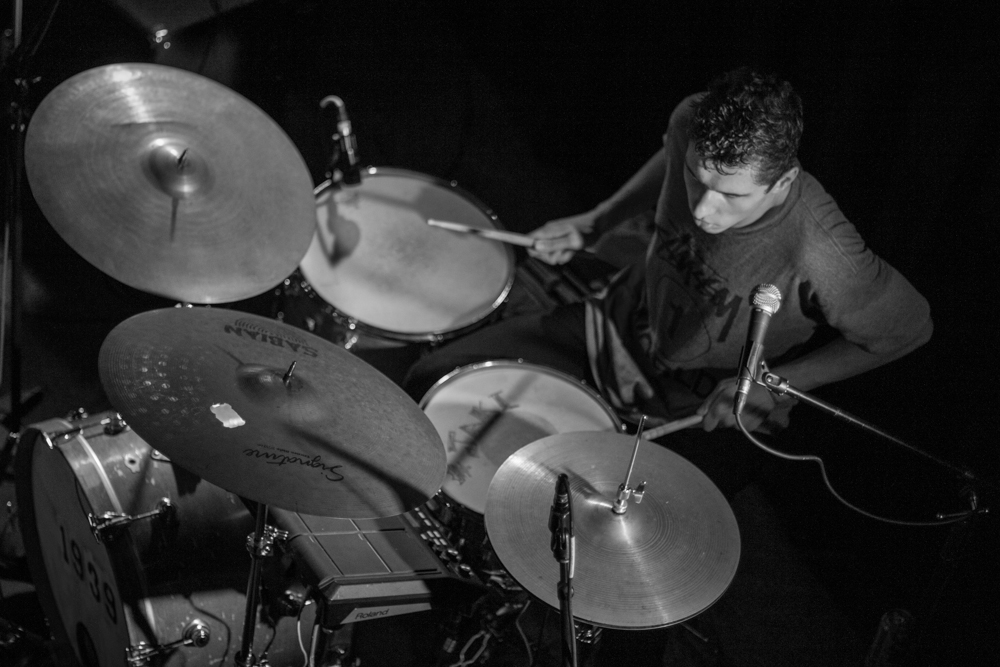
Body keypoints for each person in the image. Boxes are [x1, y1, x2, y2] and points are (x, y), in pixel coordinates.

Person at [404, 66, 933, 499]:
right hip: (615, 329)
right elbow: (669, 159)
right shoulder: (689, 120)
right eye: (697, 180)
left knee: (607, 541)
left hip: (698, 404)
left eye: (732, 196)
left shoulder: (823, 250)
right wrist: (596, 222)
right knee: (430, 384)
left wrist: (777, 383)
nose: (703, 209)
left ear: (784, 181)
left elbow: (909, 331)